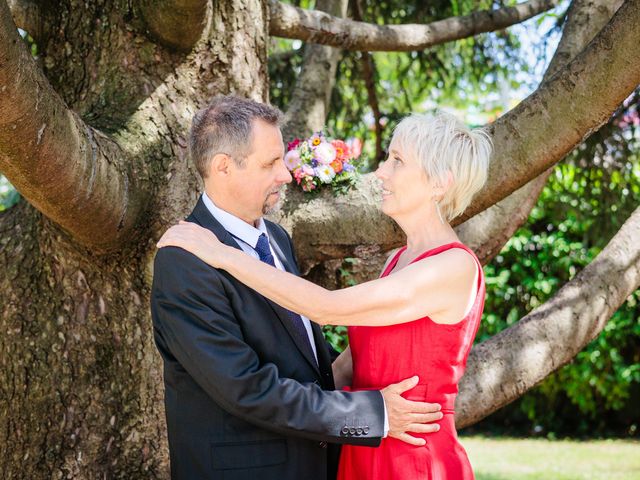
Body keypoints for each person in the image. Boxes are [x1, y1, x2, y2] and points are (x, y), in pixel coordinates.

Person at [157, 110, 492, 479]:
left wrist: (223, 255)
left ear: (439, 184)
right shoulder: (399, 259)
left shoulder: (451, 268)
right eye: (270, 162)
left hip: (411, 454)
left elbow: (327, 308)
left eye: (396, 161)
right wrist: (361, 414)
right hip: (363, 449)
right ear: (223, 166)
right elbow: (355, 359)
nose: (380, 172)